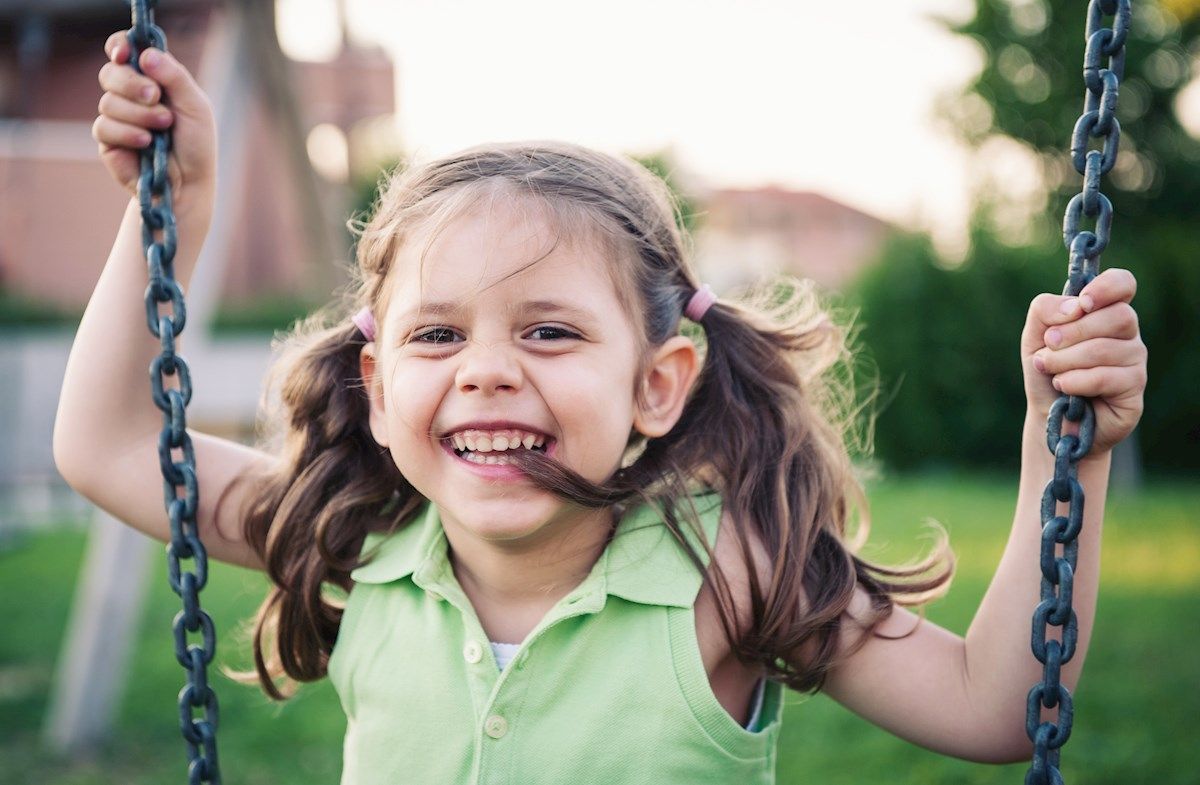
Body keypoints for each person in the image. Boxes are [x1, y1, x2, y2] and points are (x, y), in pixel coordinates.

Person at [55, 34, 1148, 785]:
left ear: (658, 383)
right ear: (381, 389)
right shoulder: (363, 539)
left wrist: (1070, 455)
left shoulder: (728, 575)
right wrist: (180, 210)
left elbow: (996, 704)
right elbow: (103, 444)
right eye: (438, 334)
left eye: (548, 330)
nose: (486, 369)